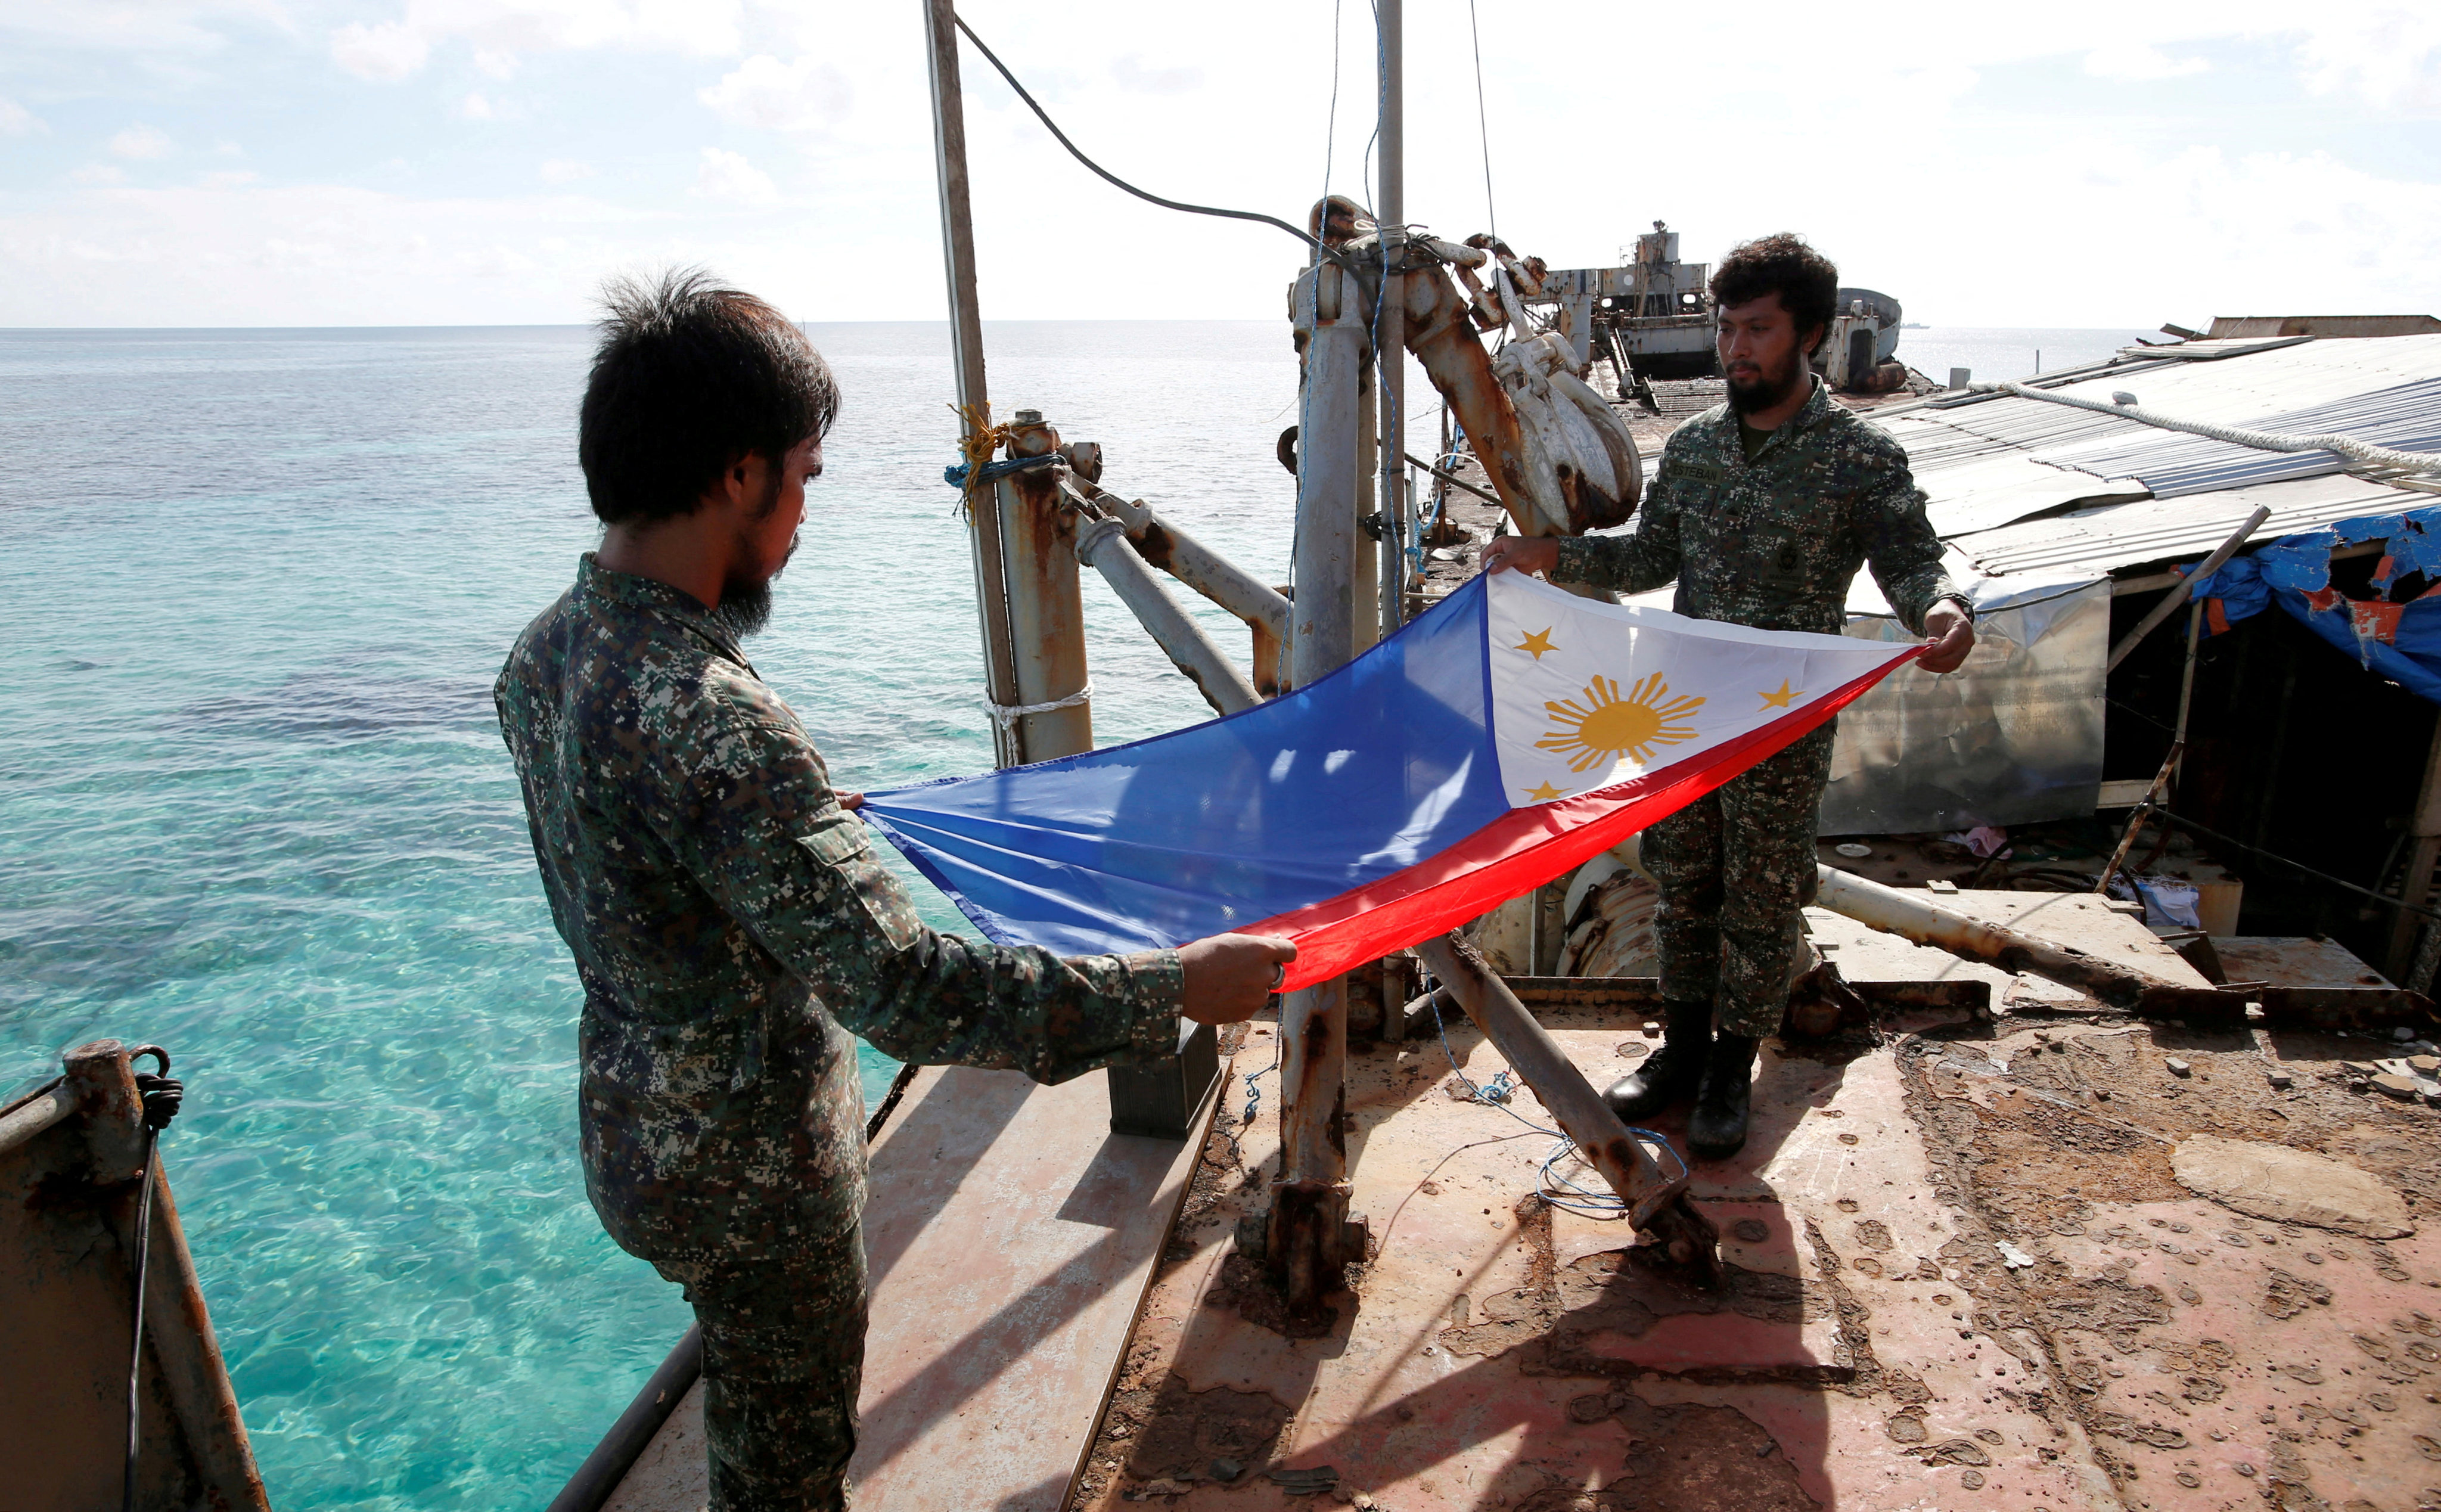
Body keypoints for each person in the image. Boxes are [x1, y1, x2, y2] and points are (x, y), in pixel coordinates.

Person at [493, 269, 1294, 1511]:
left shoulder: (544, 656)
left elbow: (645, 861)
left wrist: (792, 841)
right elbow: (909, 994)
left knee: (753, 1429)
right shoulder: (716, 724)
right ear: (738, 473)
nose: (804, 516)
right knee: (785, 1472)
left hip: (634, 1134)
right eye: (804, 477)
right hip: (754, 1182)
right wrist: (1174, 987)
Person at [1480, 232, 1974, 1160]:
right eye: (1726, 326)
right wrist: (1552, 556)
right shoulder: (1699, 449)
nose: (1734, 347)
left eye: (1757, 329)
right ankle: (1681, 1050)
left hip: (1782, 725)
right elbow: (1651, 557)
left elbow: (1913, 560)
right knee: (1683, 884)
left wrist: (1944, 611)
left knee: (1761, 895)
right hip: (1689, 715)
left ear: (1811, 337)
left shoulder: (1858, 459)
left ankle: (1729, 1069)